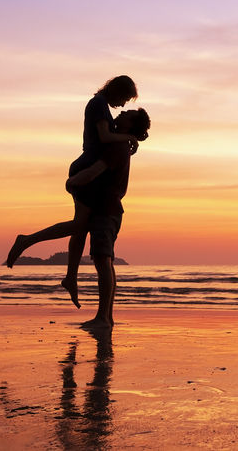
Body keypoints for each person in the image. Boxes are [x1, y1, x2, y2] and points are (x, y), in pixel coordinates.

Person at [4, 76, 141, 307]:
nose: (124, 104)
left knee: (81, 226)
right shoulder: (97, 104)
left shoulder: (102, 105)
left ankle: (70, 277)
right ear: (117, 90)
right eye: (125, 98)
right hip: (86, 168)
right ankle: (27, 240)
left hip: (87, 168)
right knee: (79, 226)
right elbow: (105, 137)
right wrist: (130, 136)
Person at [64, 108, 150, 330]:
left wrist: (72, 182)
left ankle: (103, 317)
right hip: (109, 210)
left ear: (130, 125)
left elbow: (95, 171)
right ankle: (106, 317)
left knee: (103, 261)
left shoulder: (117, 147)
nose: (120, 113)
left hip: (106, 210)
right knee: (106, 262)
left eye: (127, 114)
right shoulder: (120, 144)